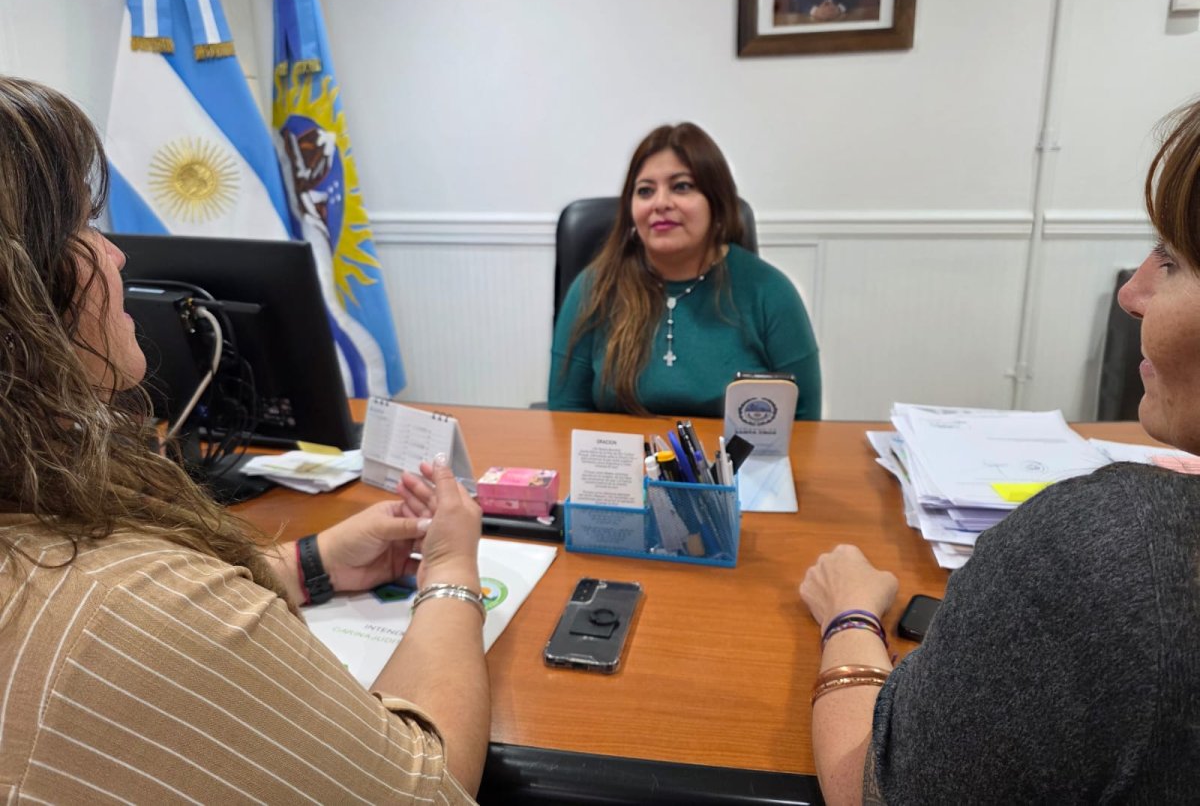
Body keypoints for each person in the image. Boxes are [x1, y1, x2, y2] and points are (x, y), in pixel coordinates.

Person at [0, 76, 488, 802]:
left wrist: (311, 564)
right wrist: (451, 570)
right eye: (82, 226)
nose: (117, 255)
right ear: (23, 292)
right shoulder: (131, 607)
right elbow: (428, 789)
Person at [799, 100, 1200, 803]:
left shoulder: (1104, 551)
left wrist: (851, 614)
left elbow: (869, 789)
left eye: (1169, 260)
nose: (1132, 293)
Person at [548, 122, 820, 419]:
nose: (660, 203)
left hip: (734, 451)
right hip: (620, 451)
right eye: (645, 191)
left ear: (716, 202)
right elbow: (565, 414)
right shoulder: (593, 288)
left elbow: (804, 420)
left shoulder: (770, 292)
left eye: (681, 186)